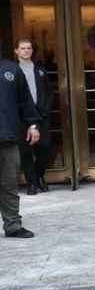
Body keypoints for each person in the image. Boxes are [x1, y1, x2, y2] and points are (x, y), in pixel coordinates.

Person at [0, 55, 40, 238]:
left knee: (9, 185)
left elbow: (25, 100)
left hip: (8, 137)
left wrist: (33, 125)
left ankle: (13, 225)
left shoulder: (11, 69)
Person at [14, 38, 53, 194]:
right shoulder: (12, 69)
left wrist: (46, 109)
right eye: (22, 48)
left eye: (28, 48)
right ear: (16, 51)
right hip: (21, 118)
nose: (26, 51)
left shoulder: (40, 69)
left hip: (41, 115)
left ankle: (39, 177)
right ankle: (31, 182)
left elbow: (49, 92)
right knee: (24, 150)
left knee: (44, 147)